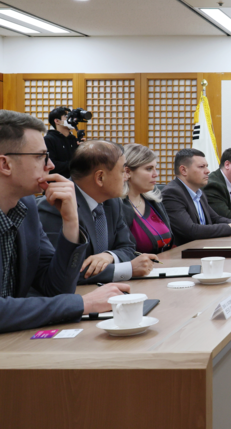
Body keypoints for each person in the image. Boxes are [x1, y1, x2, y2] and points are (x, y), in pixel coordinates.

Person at [0, 110, 128, 333]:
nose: (50, 165)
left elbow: (55, 288)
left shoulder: (26, 207)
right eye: (41, 157)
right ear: (5, 164)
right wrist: (83, 303)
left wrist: (71, 222)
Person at [38, 141, 155, 284]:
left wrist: (109, 256)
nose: (126, 177)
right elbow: (60, 271)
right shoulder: (56, 204)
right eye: (122, 171)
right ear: (100, 178)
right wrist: (127, 269)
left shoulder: (113, 201)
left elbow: (128, 247)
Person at [162, 148, 231, 246]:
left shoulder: (199, 192)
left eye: (207, 166)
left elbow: (215, 218)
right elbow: (190, 230)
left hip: (203, 247)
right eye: (201, 167)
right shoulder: (172, 193)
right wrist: (229, 228)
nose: (208, 171)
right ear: (183, 170)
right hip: (184, 251)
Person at [121, 144, 173, 253]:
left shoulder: (154, 201)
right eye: (149, 169)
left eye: (155, 168)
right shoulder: (116, 206)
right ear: (128, 172)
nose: (156, 174)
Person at [43, 106, 81, 178]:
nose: (71, 119)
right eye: (67, 117)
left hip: (76, 179)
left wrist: (83, 149)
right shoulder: (48, 139)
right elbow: (52, 164)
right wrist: (75, 165)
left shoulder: (73, 139)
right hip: (57, 180)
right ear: (57, 121)